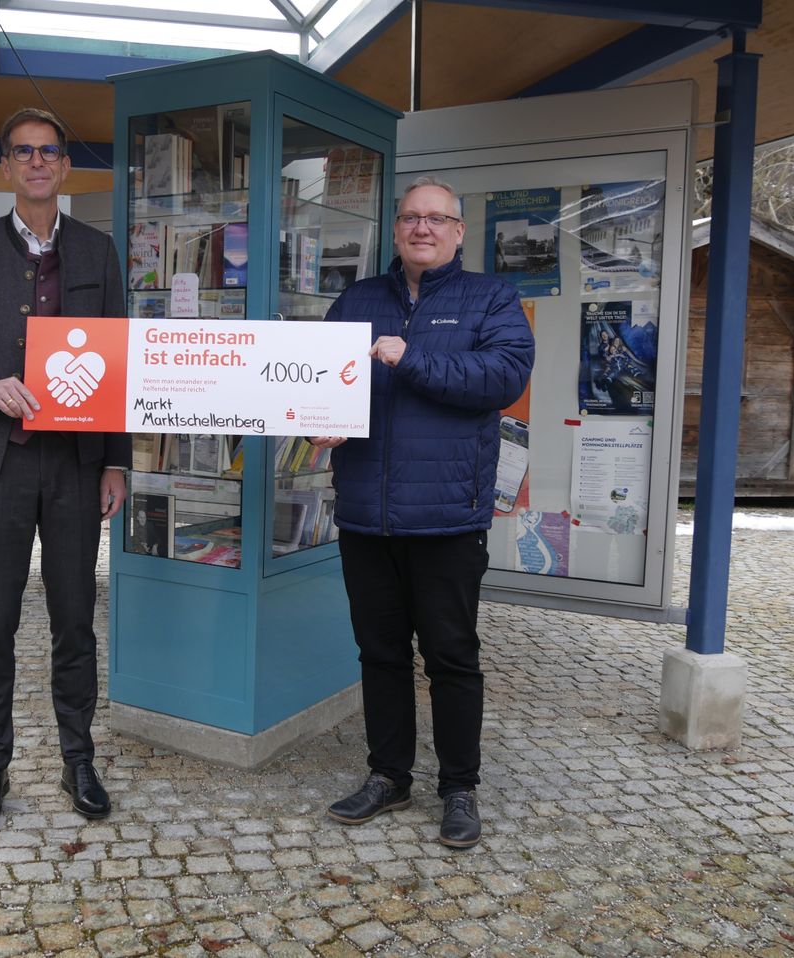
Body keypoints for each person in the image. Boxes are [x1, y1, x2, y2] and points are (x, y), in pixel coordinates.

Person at [311, 176, 534, 848]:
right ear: (398, 228)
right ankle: (388, 775)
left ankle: (459, 787)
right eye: (411, 218)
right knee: (379, 653)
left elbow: (502, 380)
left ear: (459, 231)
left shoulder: (491, 298)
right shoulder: (358, 299)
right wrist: (322, 421)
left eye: (437, 219)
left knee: (451, 656)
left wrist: (412, 359)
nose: (423, 229)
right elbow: (323, 377)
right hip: (366, 515)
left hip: (446, 517)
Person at [0, 107, 128, 826]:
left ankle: (79, 760)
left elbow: (120, 363)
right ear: (6, 167)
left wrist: (116, 464)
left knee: (75, 620)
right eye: (23, 151)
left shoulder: (99, 253)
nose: (37, 162)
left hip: (76, 466)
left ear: (65, 166)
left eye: (49, 151)